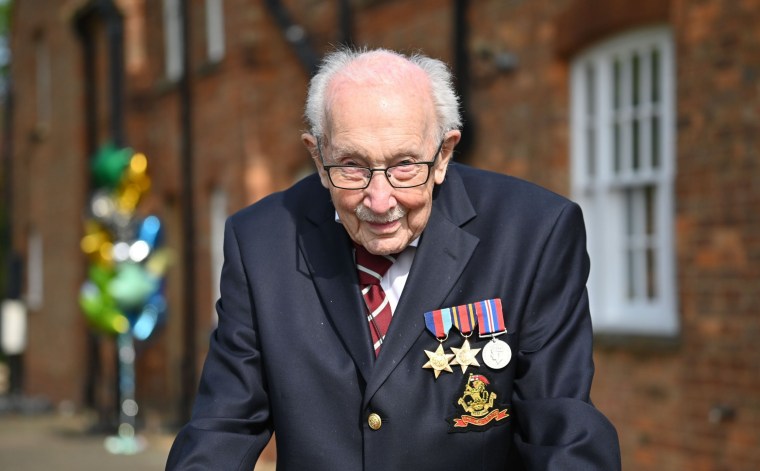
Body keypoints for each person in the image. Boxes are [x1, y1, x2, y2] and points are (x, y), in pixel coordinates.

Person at [166, 47, 621, 470]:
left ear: (443, 153)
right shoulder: (261, 242)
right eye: (352, 166)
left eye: (406, 165)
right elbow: (223, 427)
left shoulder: (533, 233)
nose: (380, 200)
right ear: (318, 158)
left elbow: (561, 423)